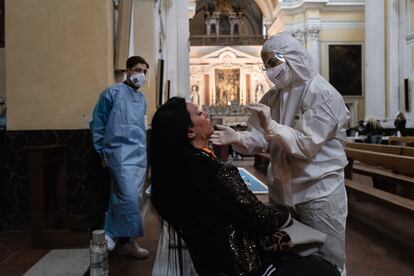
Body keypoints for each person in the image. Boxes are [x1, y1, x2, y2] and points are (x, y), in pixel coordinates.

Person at [150, 97, 340, 276]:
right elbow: (260, 218)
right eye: (199, 113)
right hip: (245, 263)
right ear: (190, 131)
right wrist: (287, 218)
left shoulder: (176, 171)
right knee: (326, 269)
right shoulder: (217, 171)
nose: (206, 114)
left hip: (210, 264)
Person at [211, 32, 350, 275]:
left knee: (328, 260)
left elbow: (306, 145)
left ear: (293, 58)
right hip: (282, 191)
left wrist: (271, 127)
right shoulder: (273, 95)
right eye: (266, 66)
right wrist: (239, 137)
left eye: (273, 63)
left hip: (319, 191)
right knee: (292, 256)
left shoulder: (323, 94)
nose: (269, 71)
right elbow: (261, 139)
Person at [90, 56, 150, 259]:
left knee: (132, 198)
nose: (140, 74)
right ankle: (112, 234)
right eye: (137, 69)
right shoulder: (112, 93)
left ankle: (127, 241)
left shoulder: (142, 99)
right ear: (127, 71)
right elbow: (98, 123)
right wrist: (101, 151)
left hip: (138, 156)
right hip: (117, 153)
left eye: (144, 71)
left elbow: (139, 128)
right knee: (127, 196)